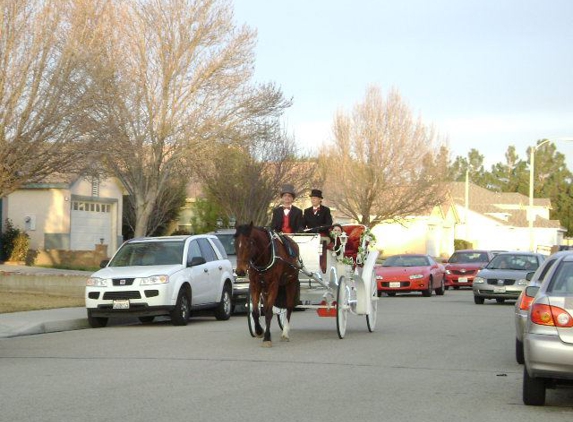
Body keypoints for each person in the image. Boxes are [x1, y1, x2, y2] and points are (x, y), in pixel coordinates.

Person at [303, 189, 333, 273]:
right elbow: (303, 224)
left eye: (315, 198)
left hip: (322, 234)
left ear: (320, 199)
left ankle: (322, 267)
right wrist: (301, 229)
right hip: (310, 235)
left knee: (321, 242)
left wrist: (318, 228)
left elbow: (329, 224)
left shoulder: (325, 210)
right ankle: (306, 265)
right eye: (312, 198)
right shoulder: (307, 211)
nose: (313, 200)